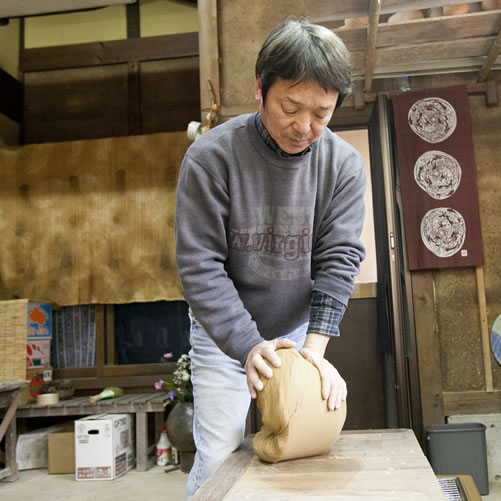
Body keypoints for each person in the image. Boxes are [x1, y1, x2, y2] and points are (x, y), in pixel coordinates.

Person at [175, 17, 366, 499]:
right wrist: (245, 344)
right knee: (220, 454)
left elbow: (340, 257)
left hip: (300, 333)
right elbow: (199, 266)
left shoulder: (342, 165)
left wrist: (315, 352)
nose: (304, 127)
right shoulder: (210, 158)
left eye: (321, 113)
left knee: (298, 452)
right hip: (224, 335)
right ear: (260, 88)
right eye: (290, 106)